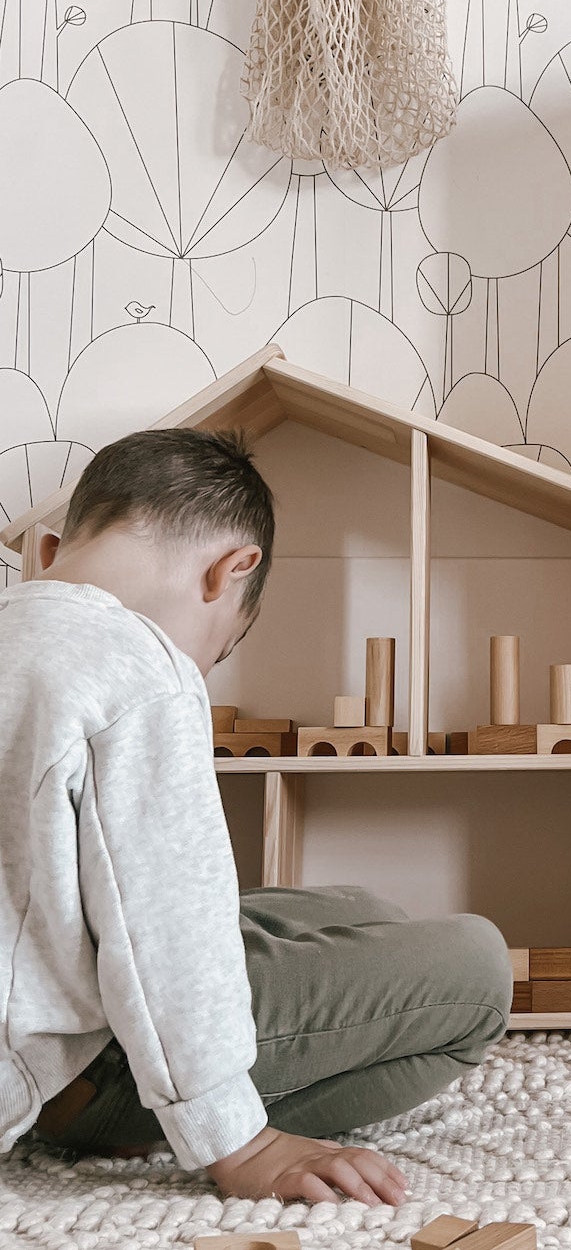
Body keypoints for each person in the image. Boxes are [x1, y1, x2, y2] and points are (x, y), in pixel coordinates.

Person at [0, 428, 512, 1202]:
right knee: (477, 968)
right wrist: (238, 1140)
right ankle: (159, 1118)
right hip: (74, 1073)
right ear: (229, 570)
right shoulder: (141, 670)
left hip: (38, 988)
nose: (204, 665)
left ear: (46, 551)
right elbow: (166, 928)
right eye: (223, 644)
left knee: (352, 907)